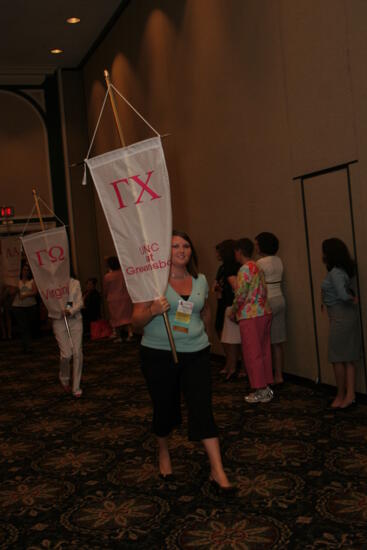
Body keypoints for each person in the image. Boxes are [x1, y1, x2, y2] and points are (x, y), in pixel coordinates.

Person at [132, 230, 234, 493]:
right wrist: (153, 310)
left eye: (186, 245)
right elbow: (135, 322)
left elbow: (205, 309)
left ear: (191, 251)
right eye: (175, 245)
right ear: (165, 251)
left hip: (196, 354)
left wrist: (208, 338)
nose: (181, 250)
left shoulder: (199, 280)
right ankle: (163, 451)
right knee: (165, 409)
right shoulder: (152, 283)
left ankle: (217, 470)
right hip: (158, 354)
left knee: (202, 407)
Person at [232, 238, 273, 403]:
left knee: (252, 353)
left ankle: (259, 388)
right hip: (264, 311)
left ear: (239, 251)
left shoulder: (244, 269)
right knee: (264, 351)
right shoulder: (257, 266)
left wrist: (233, 309)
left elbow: (241, 293)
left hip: (250, 315)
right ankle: (266, 386)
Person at [321, 238, 360, 409]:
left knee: (337, 358)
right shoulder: (341, 270)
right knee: (348, 358)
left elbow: (343, 295)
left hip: (340, 317)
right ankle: (349, 395)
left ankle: (341, 395)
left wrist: (351, 298)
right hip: (345, 316)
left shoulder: (335, 272)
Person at [255, 232, 286, 384]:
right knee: (278, 341)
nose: (255, 246)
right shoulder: (278, 260)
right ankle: (279, 376)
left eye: (257, 244)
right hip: (280, 298)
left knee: (264, 340)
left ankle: (267, 376)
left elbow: (257, 285)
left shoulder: (260, 263)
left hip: (267, 301)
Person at [212, 240, 242, 380]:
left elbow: (237, 288)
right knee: (222, 333)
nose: (217, 254)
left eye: (219, 251)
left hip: (230, 304)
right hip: (222, 302)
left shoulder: (232, 267)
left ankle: (233, 366)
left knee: (232, 338)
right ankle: (230, 363)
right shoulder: (222, 267)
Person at [50, 276, 84, 398]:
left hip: (75, 320)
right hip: (59, 321)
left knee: (77, 352)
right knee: (66, 354)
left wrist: (70, 311)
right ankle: (64, 377)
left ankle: (76, 387)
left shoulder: (75, 282)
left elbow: (80, 302)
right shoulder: (50, 284)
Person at [103, 256, 133, 342]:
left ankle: (119, 336)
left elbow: (105, 289)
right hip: (125, 297)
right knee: (127, 317)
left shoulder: (108, 276)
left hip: (113, 299)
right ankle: (130, 334)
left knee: (116, 318)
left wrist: (105, 296)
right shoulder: (124, 274)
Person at [11, 262, 38, 353]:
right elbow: (10, 293)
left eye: (27, 270)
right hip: (18, 307)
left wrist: (25, 295)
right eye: (24, 270)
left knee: (28, 326)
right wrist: (15, 290)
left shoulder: (32, 281)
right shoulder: (16, 281)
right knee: (23, 326)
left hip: (30, 306)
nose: (26, 272)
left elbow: (35, 292)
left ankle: (26, 344)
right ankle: (27, 345)